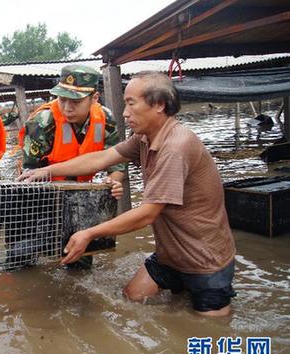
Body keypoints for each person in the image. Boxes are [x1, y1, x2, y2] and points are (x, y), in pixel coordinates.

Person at [20, 71, 236, 317]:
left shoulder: (175, 148)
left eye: (131, 103)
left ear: (159, 105)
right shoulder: (144, 137)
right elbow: (102, 158)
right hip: (170, 255)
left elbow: (146, 214)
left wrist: (89, 233)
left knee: (210, 327)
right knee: (131, 298)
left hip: (204, 261)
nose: (124, 112)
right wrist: (46, 171)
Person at [20, 65, 125, 268]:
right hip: (44, 194)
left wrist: (113, 181)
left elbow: (117, 164)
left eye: (75, 101)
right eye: (62, 99)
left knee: (81, 258)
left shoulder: (106, 119)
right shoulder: (43, 121)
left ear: (94, 98)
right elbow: (28, 173)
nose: (67, 107)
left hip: (82, 196)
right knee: (27, 256)